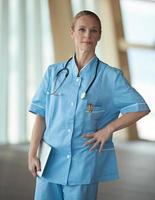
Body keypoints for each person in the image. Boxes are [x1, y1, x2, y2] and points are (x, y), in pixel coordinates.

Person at [28, 10, 150, 200]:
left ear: (100, 35)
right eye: (82, 29)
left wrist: (108, 129)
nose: (87, 35)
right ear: (72, 33)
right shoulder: (54, 73)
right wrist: (32, 153)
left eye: (94, 31)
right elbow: (41, 115)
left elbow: (140, 107)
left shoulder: (110, 77)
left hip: (83, 167)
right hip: (49, 164)